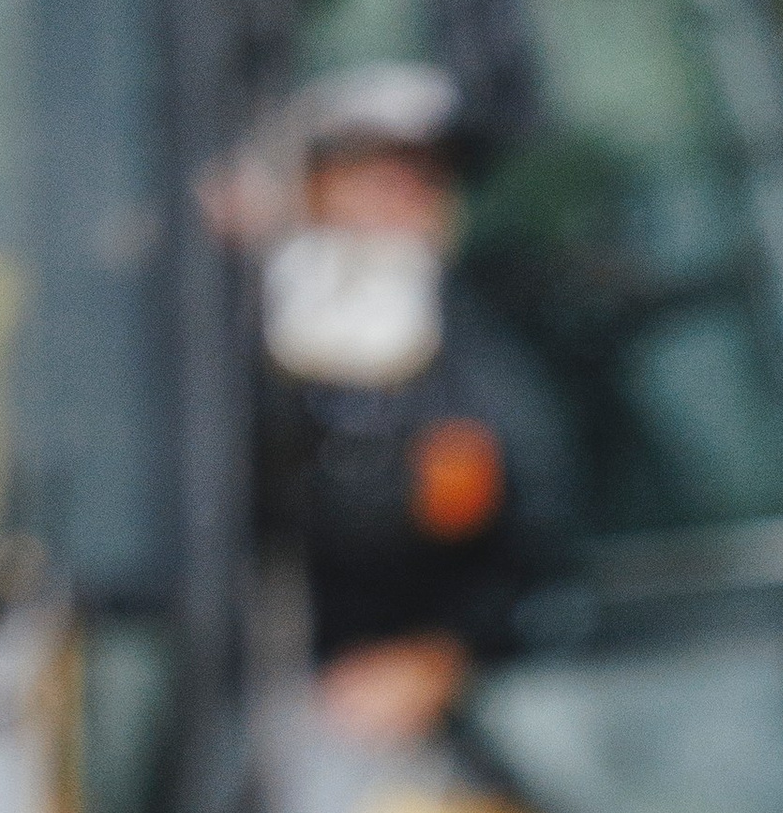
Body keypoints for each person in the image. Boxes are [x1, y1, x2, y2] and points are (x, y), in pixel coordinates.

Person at [236, 62, 583, 758]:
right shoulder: (224, 329)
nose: (404, 195)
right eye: (371, 169)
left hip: (392, 728)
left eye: (428, 175)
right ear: (307, 185)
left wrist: (442, 659)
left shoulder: (480, 354)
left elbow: (539, 551)